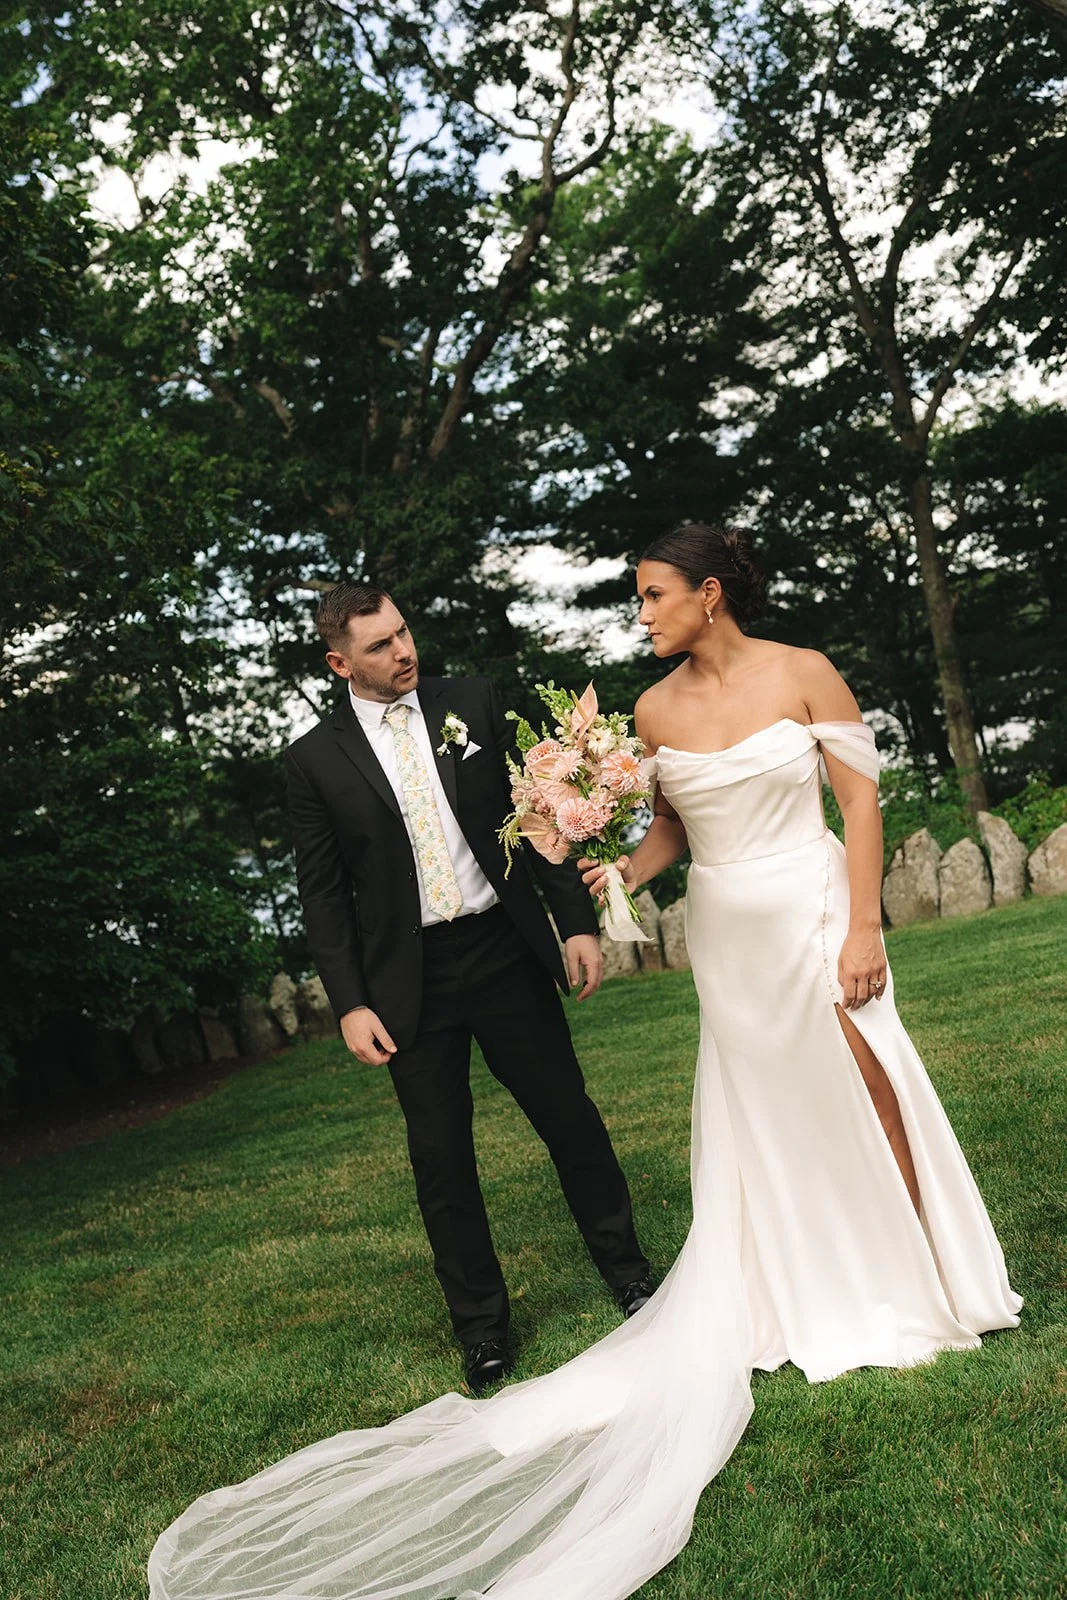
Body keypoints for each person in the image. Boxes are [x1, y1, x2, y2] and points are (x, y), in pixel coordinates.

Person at [148, 530, 1020, 1600]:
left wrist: (859, 925)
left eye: (653, 596)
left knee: (836, 1079)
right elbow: (663, 830)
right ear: (341, 660)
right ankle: (614, 1313)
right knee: (734, 1119)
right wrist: (599, 872)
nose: (640, 613)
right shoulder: (639, 713)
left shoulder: (796, 672)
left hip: (800, 913)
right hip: (686, 944)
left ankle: (913, 1268)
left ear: (707, 595)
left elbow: (858, 801)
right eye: (380, 643)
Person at [283, 583, 653, 1395]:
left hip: (501, 950)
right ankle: (482, 1331)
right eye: (379, 646)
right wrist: (349, 1001)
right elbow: (323, 895)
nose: (403, 651)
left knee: (569, 1118)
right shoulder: (314, 760)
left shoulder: (474, 703)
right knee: (442, 1160)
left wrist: (575, 926)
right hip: (405, 981)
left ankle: (628, 1275)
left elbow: (540, 817)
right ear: (339, 662)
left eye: (404, 633)